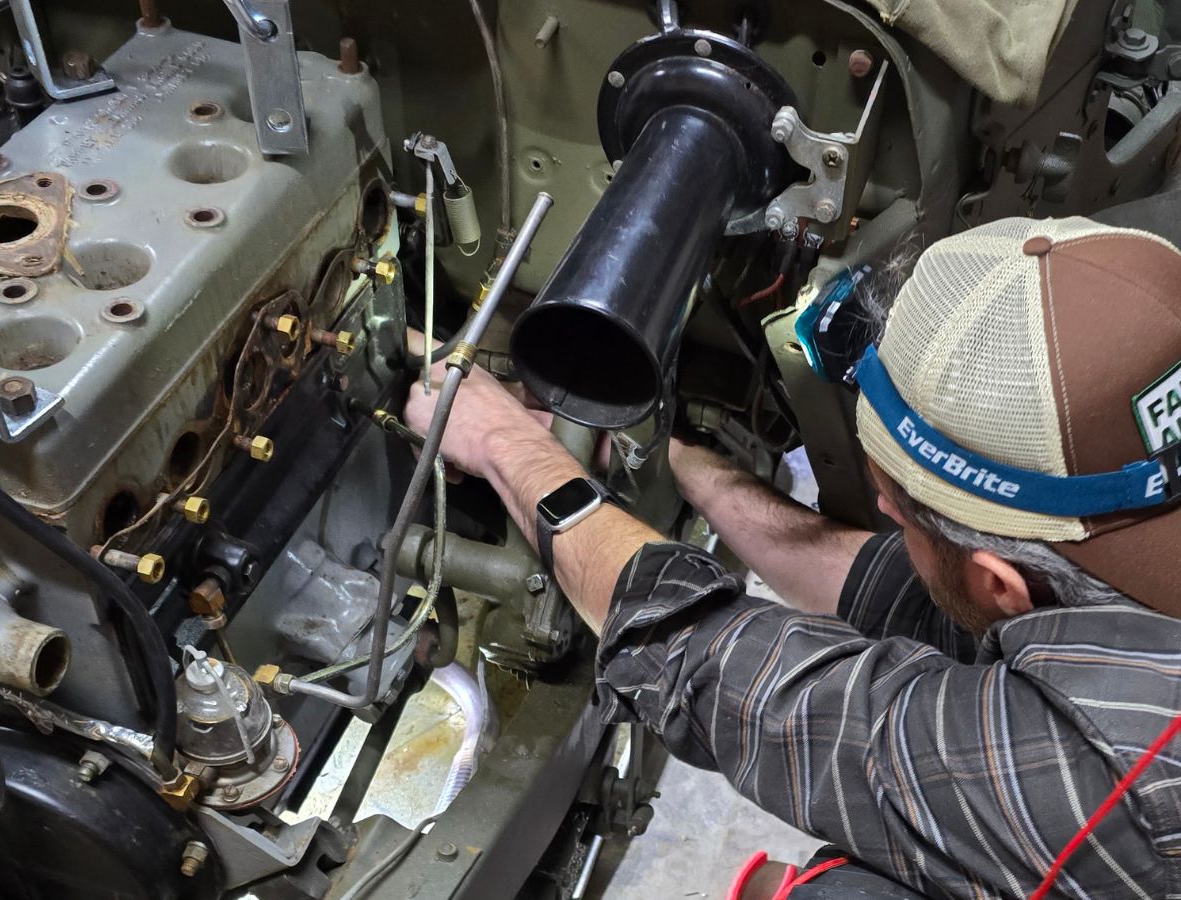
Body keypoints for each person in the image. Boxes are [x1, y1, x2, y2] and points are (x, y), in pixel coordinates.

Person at [404, 216, 1181, 899]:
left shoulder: (1094, 780)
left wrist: (504, 445)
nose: (880, 511)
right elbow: (904, 591)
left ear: (1004, 583)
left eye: (897, 510)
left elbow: (730, 676)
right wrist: (679, 461)